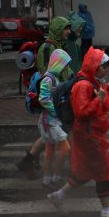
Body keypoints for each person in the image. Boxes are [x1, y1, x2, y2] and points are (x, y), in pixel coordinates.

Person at [46, 48, 109, 217]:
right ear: (94, 67)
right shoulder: (83, 85)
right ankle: (106, 210)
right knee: (102, 171)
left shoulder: (94, 82)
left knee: (85, 171)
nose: (106, 70)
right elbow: (82, 112)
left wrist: (106, 92)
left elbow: (102, 109)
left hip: (94, 133)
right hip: (88, 136)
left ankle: (58, 195)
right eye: (103, 67)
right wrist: (99, 98)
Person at [16, 17, 72, 179]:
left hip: (56, 95)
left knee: (51, 134)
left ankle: (29, 161)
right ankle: (66, 169)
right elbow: (51, 70)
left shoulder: (57, 45)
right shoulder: (48, 47)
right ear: (58, 29)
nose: (68, 31)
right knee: (57, 131)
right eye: (65, 28)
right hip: (51, 96)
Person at [38, 49, 72, 189]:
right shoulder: (48, 79)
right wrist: (57, 112)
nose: (66, 67)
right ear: (58, 63)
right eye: (64, 64)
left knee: (50, 150)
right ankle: (55, 176)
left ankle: (47, 179)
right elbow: (44, 99)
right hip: (50, 121)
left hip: (50, 120)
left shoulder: (55, 77)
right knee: (65, 148)